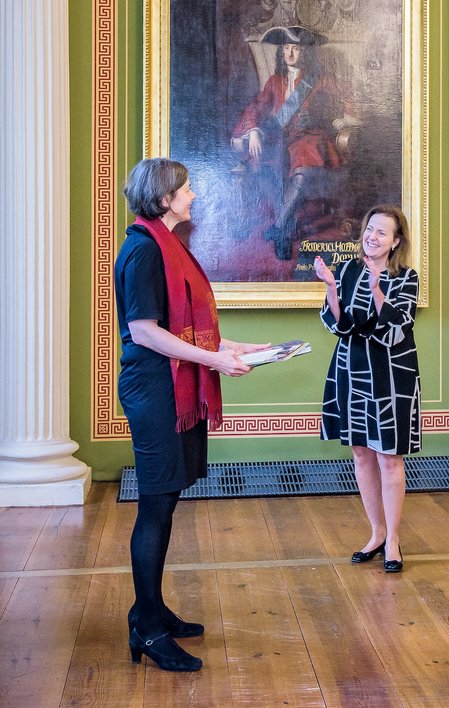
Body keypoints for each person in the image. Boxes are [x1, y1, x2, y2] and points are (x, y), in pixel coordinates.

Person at [114, 158, 270, 671]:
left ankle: (152, 609)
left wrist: (243, 349)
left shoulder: (167, 245)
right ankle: (148, 630)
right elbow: (145, 332)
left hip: (173, 385)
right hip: (155, 390)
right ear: (164, 199)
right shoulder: (143, 250)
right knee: (155, 506)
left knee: (167, 500)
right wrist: (215, 362)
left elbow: (188, 333)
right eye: (186, 189)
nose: (194, 196)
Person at [314, 205, 421, 573]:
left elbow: (394, 330)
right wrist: (331, 289)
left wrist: (377, 291)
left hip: (391, 375)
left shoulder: (406, 277)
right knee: (361, 453)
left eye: (381, 232)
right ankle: (376, 533)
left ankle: (393, 540)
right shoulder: (345, 270)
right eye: (369, 229)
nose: (372, 237)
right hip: (350, 368)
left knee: (388, 457)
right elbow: (339, 326)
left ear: (396, 241)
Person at [232, 25, 354, 260]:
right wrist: (254, 130)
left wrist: (338, 119)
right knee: (266, 160)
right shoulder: (274, 81)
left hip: (309, 136)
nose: (289, 54)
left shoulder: (320, 80)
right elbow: (255, 107)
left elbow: (347, 99)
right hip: (280, 138)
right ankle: (286, 229)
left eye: (295, 49)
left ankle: (279, 227)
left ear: (304, 52)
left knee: (302, 168)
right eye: (286, 48)